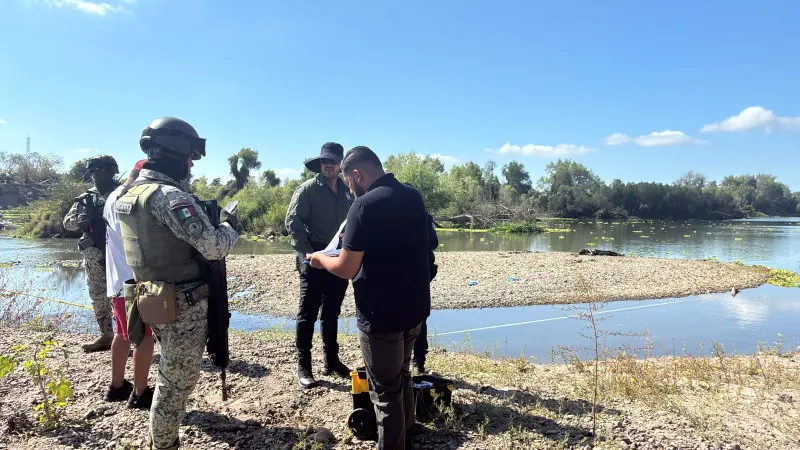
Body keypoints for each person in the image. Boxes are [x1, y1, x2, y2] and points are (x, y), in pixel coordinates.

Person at [115, 117, 238, 450]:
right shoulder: (170, 197)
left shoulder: (129, 194)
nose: (190, 166)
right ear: (176, 153)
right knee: (174, 385)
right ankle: (164, 444)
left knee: (169, 373)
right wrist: (229, 227)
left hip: (151, 300)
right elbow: (213, 246)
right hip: (183, 307)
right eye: (189, 158)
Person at [309, 146, 431, 450]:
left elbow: (347, 267)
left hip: (382, 316)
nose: (349, 188)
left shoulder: (363, 206)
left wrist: (320, 259)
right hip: (415, 310)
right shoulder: (412, 196)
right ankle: (407, 436)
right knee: (402, 378)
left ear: (357, 174)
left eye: (349, 182)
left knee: (386, 394)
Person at [285, 142, 353, 389]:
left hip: (338, 259)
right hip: (313, 259)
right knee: (307, 313)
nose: (329, 166)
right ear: (320, 164)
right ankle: (304, 366)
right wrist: (308, 254)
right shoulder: (307, 190)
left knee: (332, 312)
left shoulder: (347, 190)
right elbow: (292, 222)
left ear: (340, 165)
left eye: (334, 161)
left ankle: (332, 361)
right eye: (325, 161)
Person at [102, 158, 155, 408]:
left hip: (116, 281)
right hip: (133, 283)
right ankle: (141, 393)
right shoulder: (131, 200)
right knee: (144, 337)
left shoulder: (113, 196)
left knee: (122, 333)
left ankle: (117, 386)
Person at [63, 155, 120, 353]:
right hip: (94, 255)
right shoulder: (86, 198)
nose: (96, 176)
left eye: (101, 172)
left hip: (120, 254)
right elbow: (67, 224)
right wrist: (80, 219)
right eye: (94, 172)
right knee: (98, 295)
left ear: (111, 172)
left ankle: (129, 337)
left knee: (126, 295)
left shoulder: (123, 193)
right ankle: (106, 336)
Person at [411, 197, 439, 375]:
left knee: (420, 318)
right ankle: (404, 361)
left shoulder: (424, 218)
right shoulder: (390, 217)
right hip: (397, 277)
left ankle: (418, 362)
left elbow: (433, 243)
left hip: (420, 276)